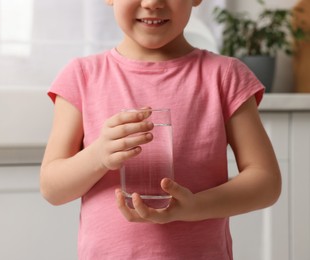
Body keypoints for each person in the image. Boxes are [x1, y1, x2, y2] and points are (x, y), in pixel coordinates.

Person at [40, 0, 282, 259]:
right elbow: (52, 188)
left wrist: (195, 207)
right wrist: (98, 155)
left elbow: (266, 182)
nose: (152, 2)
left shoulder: (225, 76)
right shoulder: (82, 76)